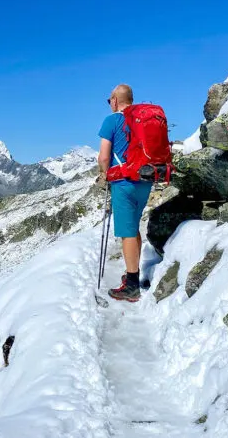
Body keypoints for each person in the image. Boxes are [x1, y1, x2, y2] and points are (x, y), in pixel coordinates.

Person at [96, 84, 153, 302]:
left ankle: (131, 286)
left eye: (109, 99)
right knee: (133, 226)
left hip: (123, 181)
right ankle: (133, 273)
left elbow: (103, 156)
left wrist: (104, 175)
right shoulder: (142, 118)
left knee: (127, 232)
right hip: (144, 181)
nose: (109, 103)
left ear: (114, 100)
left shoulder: (111, 121)